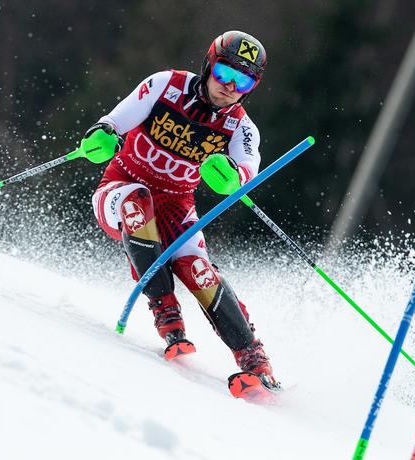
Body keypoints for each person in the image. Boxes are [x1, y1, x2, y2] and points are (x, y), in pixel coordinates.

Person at [81, 30, 277, 386]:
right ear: (208, 65)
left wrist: (233, 178)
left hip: (176, 206)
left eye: (243, 80)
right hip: (118, 189)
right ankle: (166, 312)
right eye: (225, 73)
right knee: (136, 200)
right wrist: (103, 133)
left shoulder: (241, 128)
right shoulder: (166, 85)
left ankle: (255, 362)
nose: (230, 86)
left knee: (199, 269)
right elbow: (116, 119)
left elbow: (248, 170)